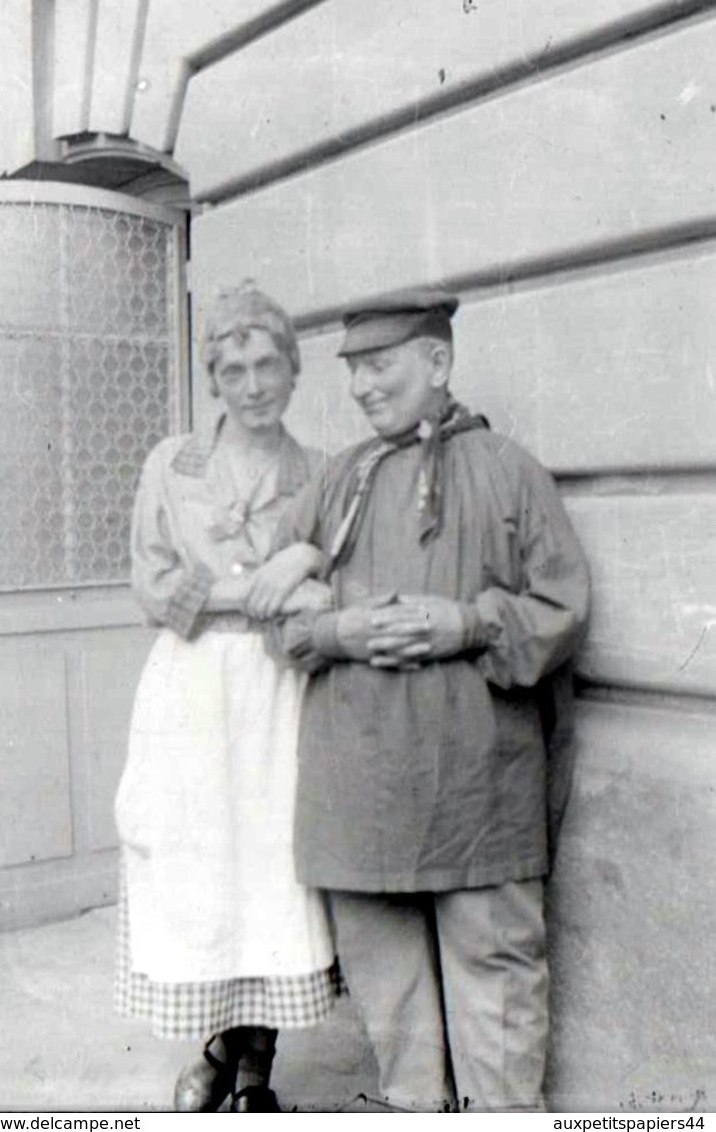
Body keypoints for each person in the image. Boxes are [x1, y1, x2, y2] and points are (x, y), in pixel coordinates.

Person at [264, 287, 591, 1112]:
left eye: (379, 365)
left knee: (499, 1010)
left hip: (476, 793)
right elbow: (273, 620)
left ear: (437, 362)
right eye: (353, 371)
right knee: (396, 1025)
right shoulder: (335, 484)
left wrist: (466, 623)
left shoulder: (510, 473)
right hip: (357, 797)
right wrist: (341, 634)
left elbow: (562, 613)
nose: (361, 387)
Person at [113, 283, 338, 1113]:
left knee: (271, 865)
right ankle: (214, 1042)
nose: (252, 384)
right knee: (199, 859)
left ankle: (256, 1067)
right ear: (214, 377)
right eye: (234, 368)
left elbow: (324, 585)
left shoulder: (317, 472)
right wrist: (255, 590)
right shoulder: (172, 466)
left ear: (291, 370)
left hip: (278, 688)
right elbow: (151, 585)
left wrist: (274, 583)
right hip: (193, 684)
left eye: (267, 365)